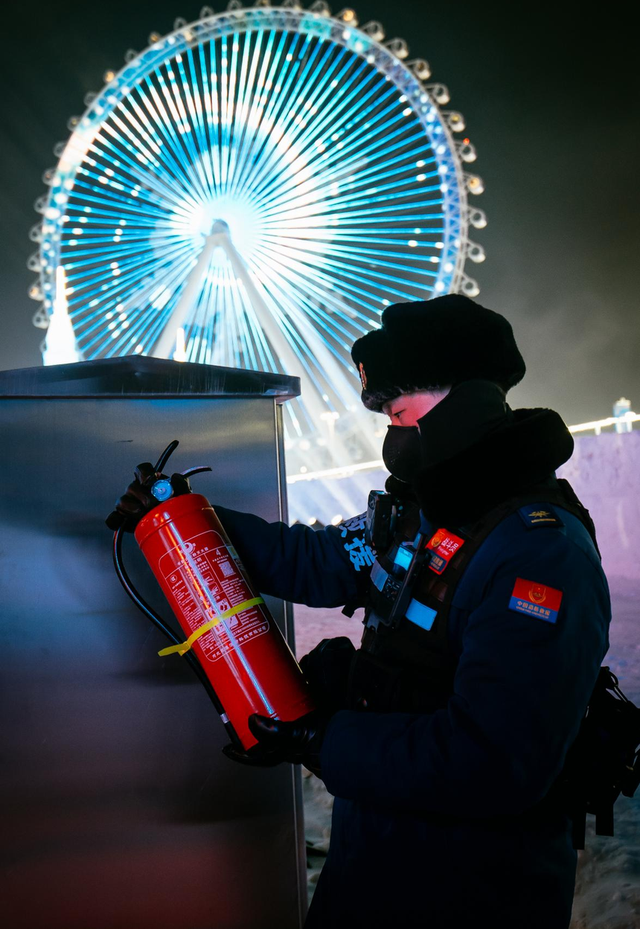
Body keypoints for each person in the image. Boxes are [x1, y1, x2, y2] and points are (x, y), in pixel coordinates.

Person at [114, 295, 611, 929]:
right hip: (375, 849)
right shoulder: (418, 513)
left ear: (464, 400)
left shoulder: (539, 552)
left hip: (473, 884)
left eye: (400, 412)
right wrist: (184, 518)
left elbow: (495, 761)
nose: (391, 434)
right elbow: (315, 559)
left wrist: (325, 739)